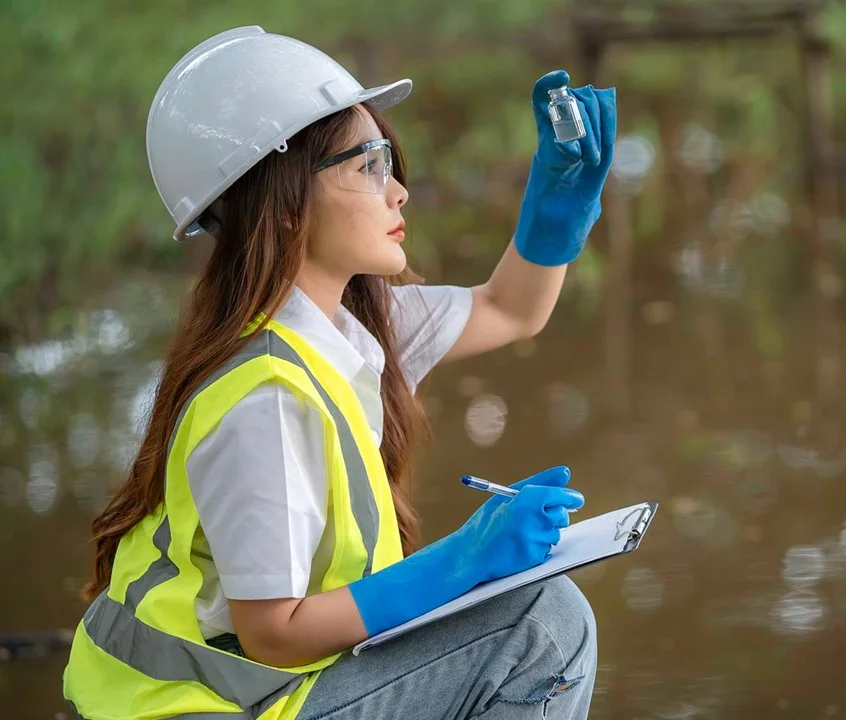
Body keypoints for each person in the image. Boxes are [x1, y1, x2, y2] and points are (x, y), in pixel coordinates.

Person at [61, 25, 616, 720]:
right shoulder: (263, 398)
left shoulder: (350, 328)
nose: (400, 191)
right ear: (287, 198)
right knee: (539, 624)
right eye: (370, 165)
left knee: (537, 610)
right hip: (213, 705)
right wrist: (462, 561)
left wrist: (557, 206)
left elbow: (510, 310)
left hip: (270, 689)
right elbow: (273, 634)